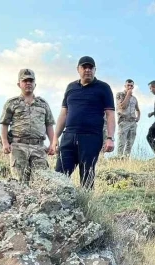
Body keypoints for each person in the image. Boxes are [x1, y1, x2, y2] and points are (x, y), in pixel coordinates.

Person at [54, 56, 115, 190]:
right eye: (84, 67)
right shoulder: (70, 87)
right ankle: (56, 206)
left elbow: (110, 114)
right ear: (78, 69)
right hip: (68, 136)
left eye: (90, 67)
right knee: (59, 176)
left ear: (95, 69)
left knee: (87, 176)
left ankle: (86, 207)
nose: (87, 70)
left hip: (91, 137)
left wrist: (110, 138)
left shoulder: (103, 88)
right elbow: (63, 114)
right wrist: (54, 138)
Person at [0, 69, 56, 182]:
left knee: (41, 181)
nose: (28, 83)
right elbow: (4, 124)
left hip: (38, 148)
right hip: (19, 147)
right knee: (20, 182)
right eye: (25, 81)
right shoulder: (12, 103)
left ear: (35, 84)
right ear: (19, 84)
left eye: (31, 80)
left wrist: (53, 143)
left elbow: (49, 124)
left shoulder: (43, 104)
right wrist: (5, 143)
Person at [115, 79, 140, 157]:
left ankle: (126, 159)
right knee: (121, 142)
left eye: (131, 85)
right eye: (128, 85)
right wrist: (128, 95)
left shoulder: (134, 98)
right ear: (125, 86)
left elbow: (138, 109)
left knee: (130, 142)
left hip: (132, 122)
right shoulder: (120, 95)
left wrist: (138, 117)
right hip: (124, 121)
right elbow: (122, 106)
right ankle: (119, 159)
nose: (129, 87)